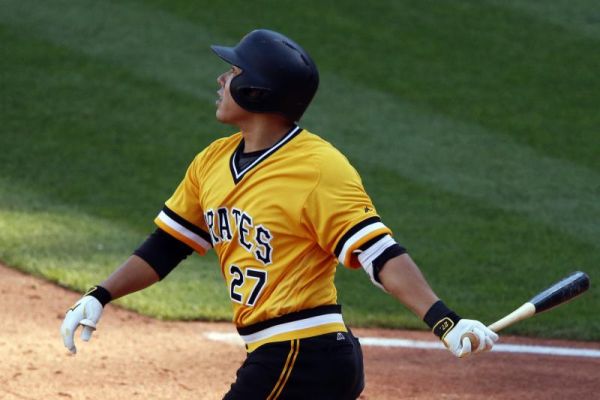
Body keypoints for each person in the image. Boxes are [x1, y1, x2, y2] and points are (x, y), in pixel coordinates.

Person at [61, 29, 498, 399]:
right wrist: (100, 295)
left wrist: (445, 321)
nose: (220, 78)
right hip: (288, 356)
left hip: (302, 354)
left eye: (232, 72)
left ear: (255, 91)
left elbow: (379, 254)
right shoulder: (212, 162)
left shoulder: (317, 168)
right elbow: (166, 246)